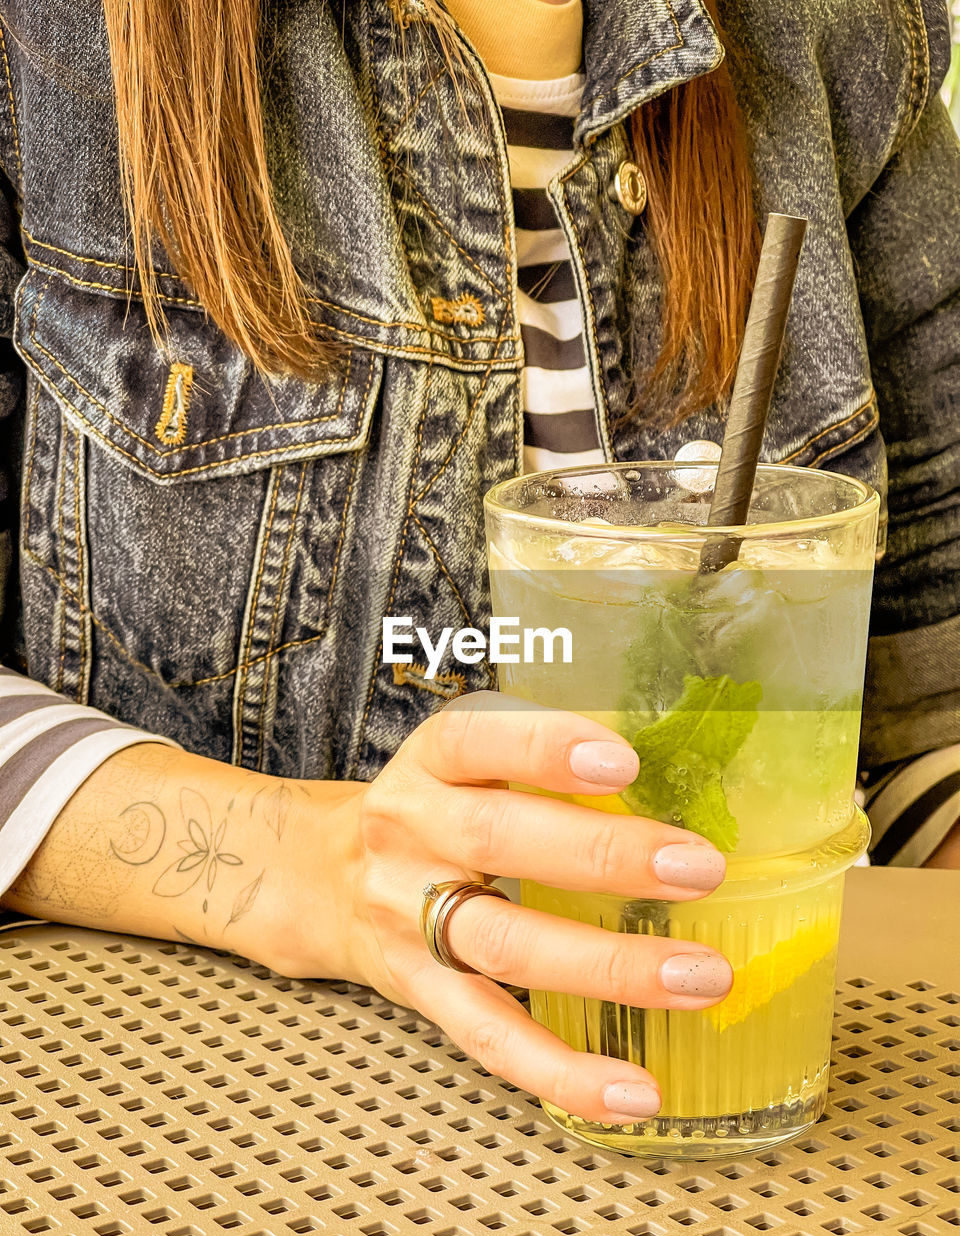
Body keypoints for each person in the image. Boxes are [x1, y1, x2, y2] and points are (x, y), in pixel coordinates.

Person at [0, 0, 956, 1127]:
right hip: (183, 1112)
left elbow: (922, 704)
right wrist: (305, 862)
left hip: (744, 1100)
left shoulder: (837, 39)